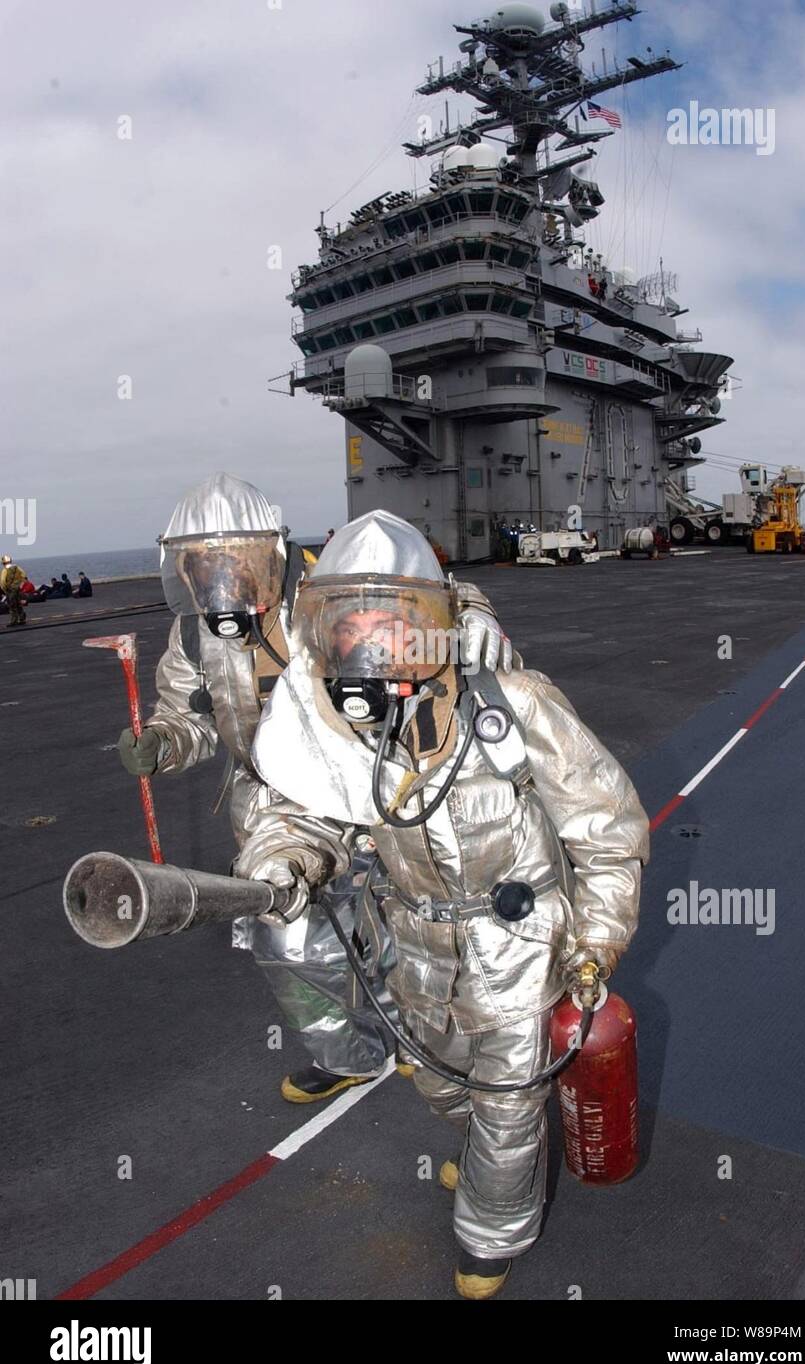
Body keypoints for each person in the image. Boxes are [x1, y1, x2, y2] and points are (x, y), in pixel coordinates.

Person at [234, 510, 649, 1299]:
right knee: (439, 1082)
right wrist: (284, 861)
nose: (366, 647)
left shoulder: (513, 706)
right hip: (416, 950)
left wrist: (594, 941)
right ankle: (492, 1155)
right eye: (348, 628)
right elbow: (301, 812)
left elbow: (607, 828)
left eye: (386, 626)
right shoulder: (335, 729)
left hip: (522, 946)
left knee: (507, 1102)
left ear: (426, 628)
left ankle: (490, 1235)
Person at [117, 474, 512, 1104]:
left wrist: (478, 610)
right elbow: (190, 717)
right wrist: (164, 741)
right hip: (277, 801)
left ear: (268, 555)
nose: (223, 578)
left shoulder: (327, 590)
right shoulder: (194, 638)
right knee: (288, 935)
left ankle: (417, 1032)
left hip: (375, 782)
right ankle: (346, 1052)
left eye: (235, 561)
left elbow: (421, 590)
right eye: (203, 564)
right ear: (184, 569)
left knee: (400, 919)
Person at [1, 555, 27, 626]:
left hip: (10, 590)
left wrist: (4, 590)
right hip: (17, 589)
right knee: (18, 604)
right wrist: (20, 584)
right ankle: (22, 619)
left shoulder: (4, 570)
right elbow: (24, 575)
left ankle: (14, 621)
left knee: (12, 606)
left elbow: (3, 582)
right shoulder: (17, 568)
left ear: (3, 563)